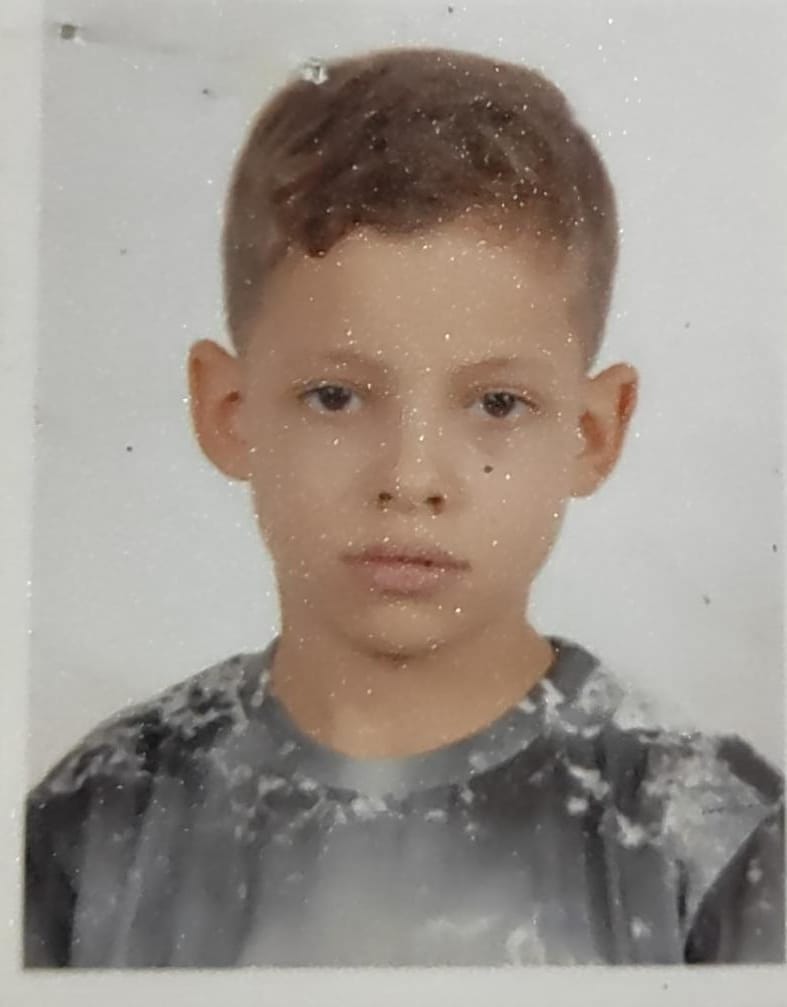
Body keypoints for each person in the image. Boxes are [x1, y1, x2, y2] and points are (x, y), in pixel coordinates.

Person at [24, 45, 784, 968]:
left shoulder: (718, 840)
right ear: (228, 411)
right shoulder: (92, 825)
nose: (411, 477)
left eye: (496, 403)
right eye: (335, 396)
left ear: (592, 431)